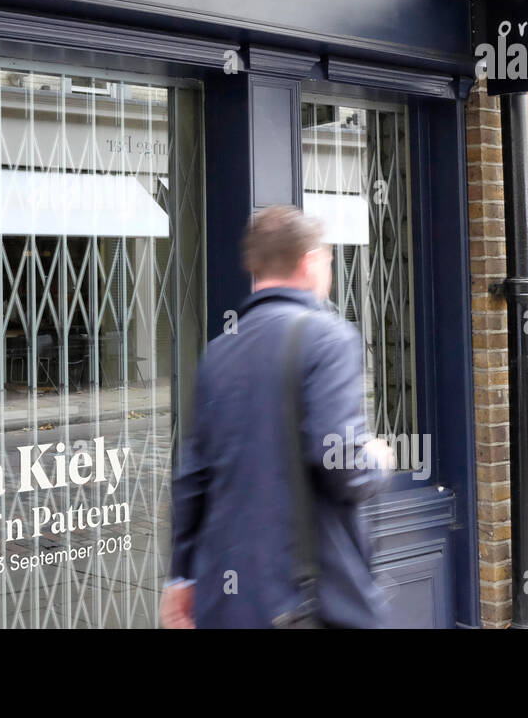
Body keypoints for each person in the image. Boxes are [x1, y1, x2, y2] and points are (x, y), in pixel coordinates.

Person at [162, 205, 395, 629]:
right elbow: (343, 465)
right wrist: (377, 458)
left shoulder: (218, 351)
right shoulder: (328, 339)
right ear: (309, 262)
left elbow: (191, 479)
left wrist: (181, 576)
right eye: (327, 259)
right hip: (306, 602)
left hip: (226, 605)